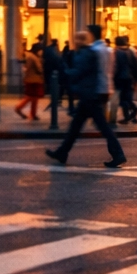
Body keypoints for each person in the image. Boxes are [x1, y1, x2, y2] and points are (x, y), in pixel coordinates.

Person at [45, 28, 126, 169]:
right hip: (90, 94)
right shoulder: (91, 52)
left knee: (101, 127)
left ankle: (118, 154)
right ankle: (62, 152)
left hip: (89, 96)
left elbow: (78, 72)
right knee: (76, 127)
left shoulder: (85, 53)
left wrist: (63, 68)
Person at [110, 36, 137, 125]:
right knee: (128, 98)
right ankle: (131, 116)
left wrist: (113, 77)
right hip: (129, 78)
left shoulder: (117, 52)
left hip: (119, 79)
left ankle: (129, 115)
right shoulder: (131, 52)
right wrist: (136, 78)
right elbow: (136, 66)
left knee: (122, 99)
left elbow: (115, 67)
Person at [42, 35, 68, 129]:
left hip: (51, 74)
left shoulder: (49, 50)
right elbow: (58, 62)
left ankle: (54, 123)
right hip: (55, 74)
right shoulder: (54, 51)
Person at [15, 40, 44, 120]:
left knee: (34, 97)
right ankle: (18, 108)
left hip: (33, 79)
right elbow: (38, 69)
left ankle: (33, 114)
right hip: (33, 80)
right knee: (30, 97)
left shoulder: (31, 56)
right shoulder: (33, 57)